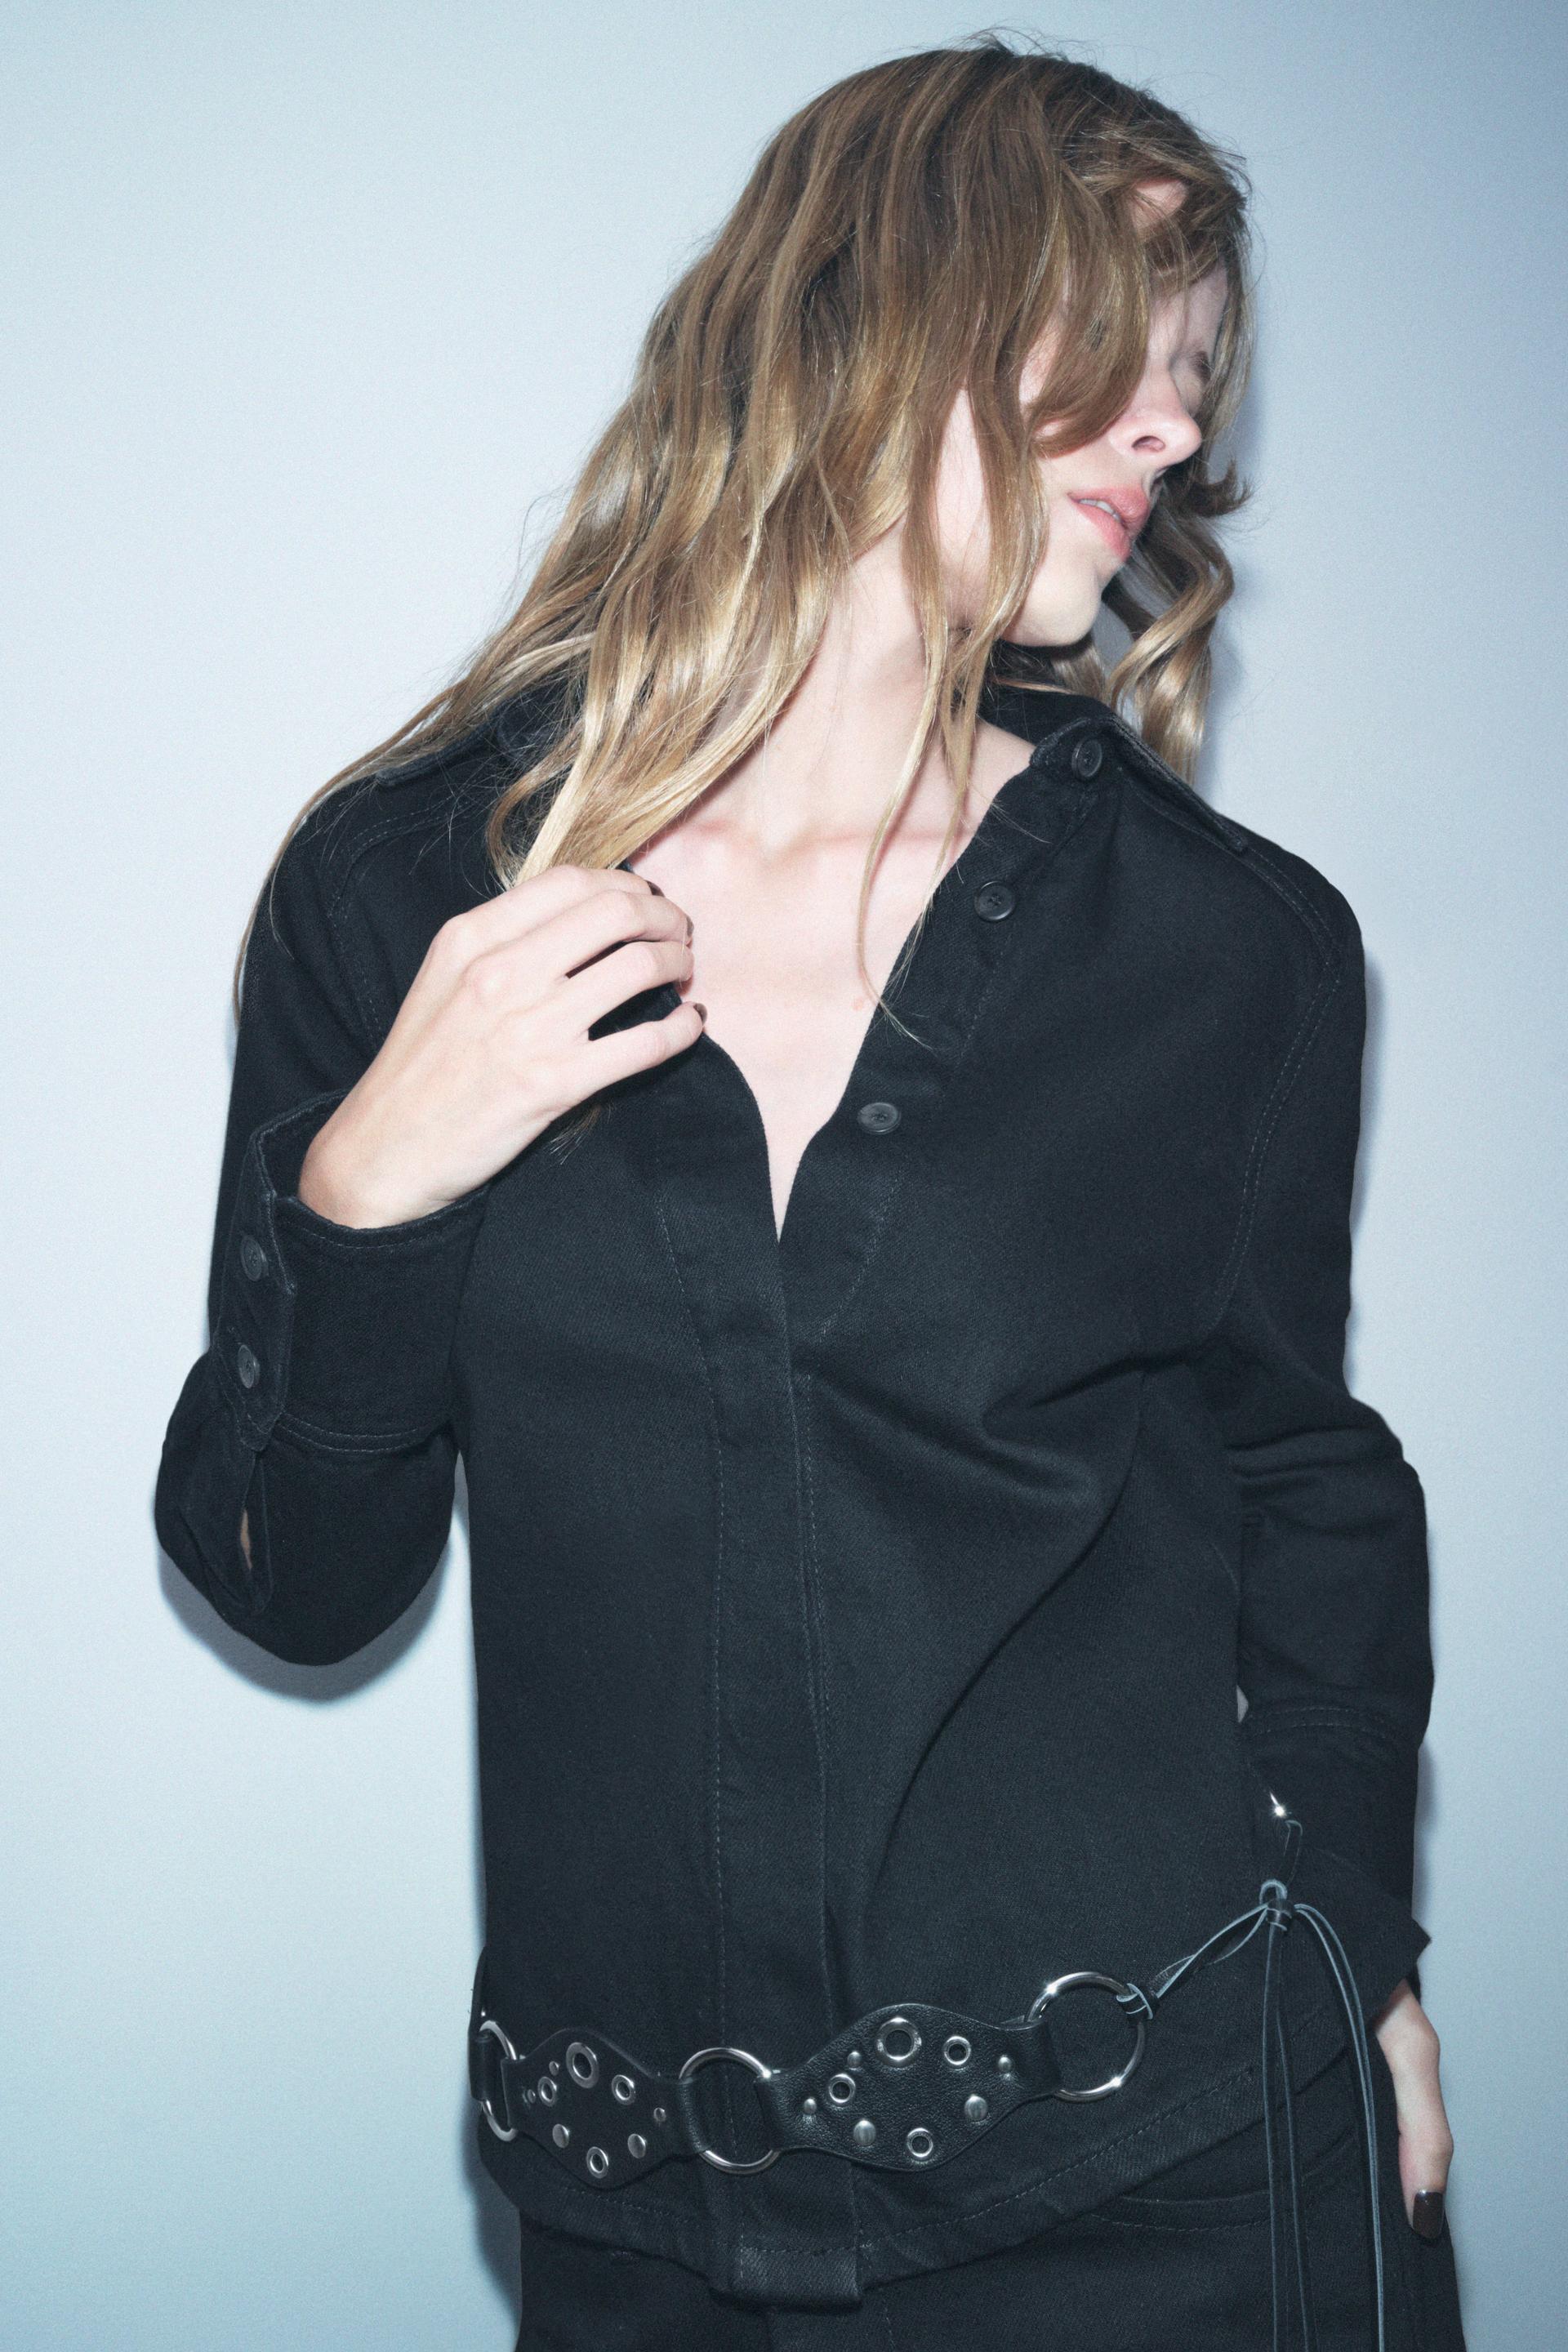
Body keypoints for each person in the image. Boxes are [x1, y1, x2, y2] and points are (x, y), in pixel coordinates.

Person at [154, 36, 1468, 2350]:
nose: (1175, 433)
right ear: (868, 318)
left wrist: (1356, 1946)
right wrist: (368, 1184)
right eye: (1117, 347)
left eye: (1196, 380)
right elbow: (295, 1585)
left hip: (1187, 2172)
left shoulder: (1233, 948)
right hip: (641, 2237)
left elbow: (1305, 1483)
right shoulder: (404, 892)